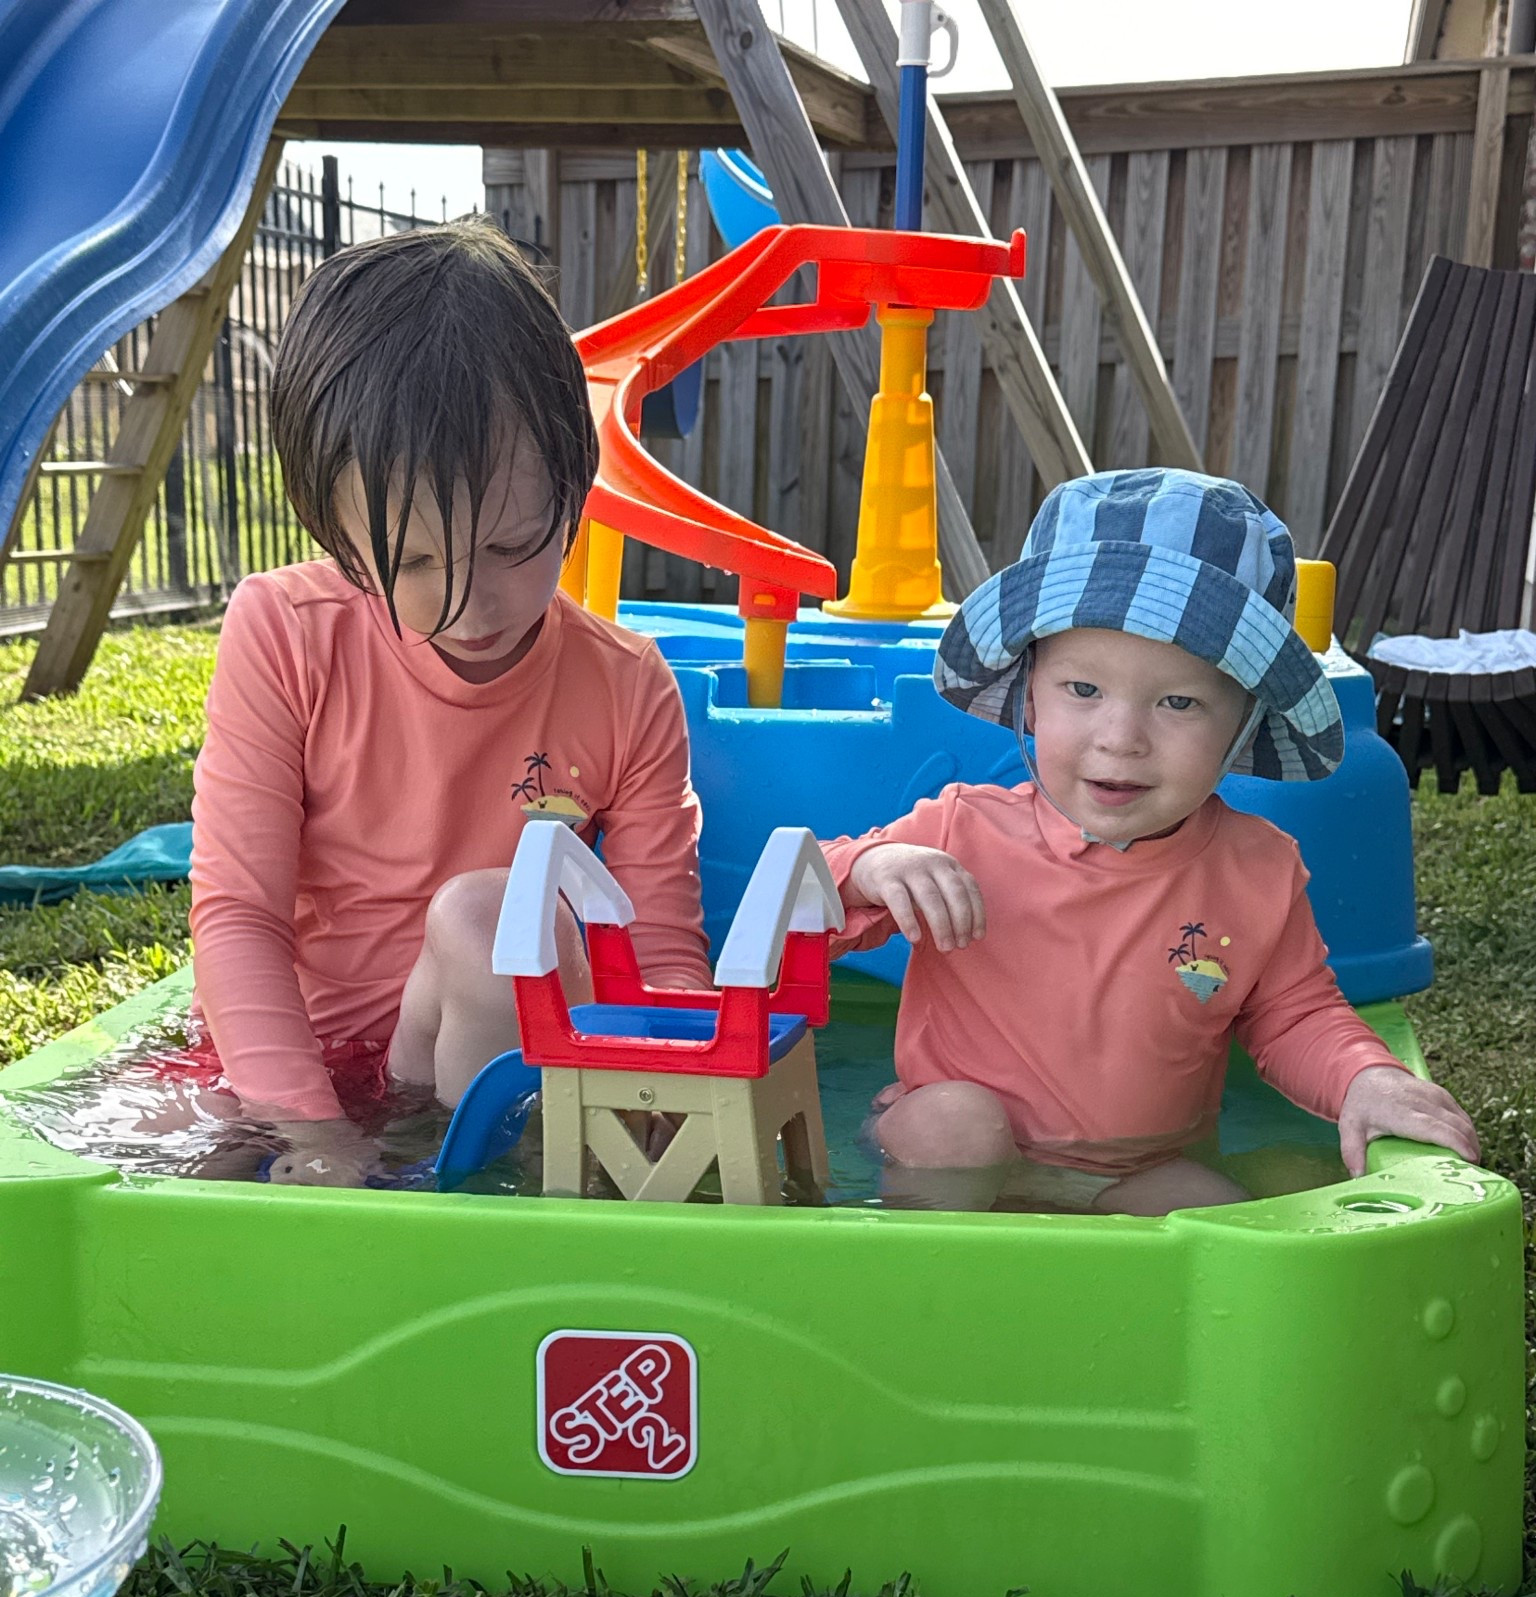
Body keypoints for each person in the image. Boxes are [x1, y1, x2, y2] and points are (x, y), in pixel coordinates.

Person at [185, 219, 709, 1184]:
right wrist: (305, 1126)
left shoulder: (628, 686)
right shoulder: (288, 633)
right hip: (317, 1065)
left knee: (486, 921)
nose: (472, 605)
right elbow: (239, 915)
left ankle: (473, 1181)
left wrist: (671, 1107)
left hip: (505, 1066)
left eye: (513, 547)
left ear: (577, 490)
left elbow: (660, 951)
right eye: (415, 563)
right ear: (333, 532)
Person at [823, 468, 1479, 1215]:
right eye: (1083, 690)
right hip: (950, 1153)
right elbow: (789, 922)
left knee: (1212, 1208)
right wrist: (869, 868)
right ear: (1028, 696)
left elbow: (1295, 1016)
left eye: (1178, 702)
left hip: (1138, 1169)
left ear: (1242, 728)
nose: (1122, 738)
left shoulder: (1258, 869)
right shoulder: (958, 829)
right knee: (955, 1124)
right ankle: (929, 1283)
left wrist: (1367, 1078)